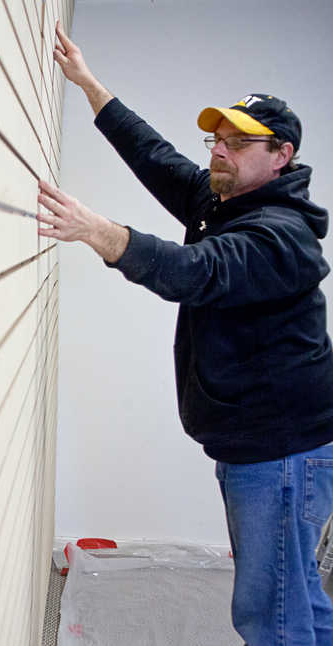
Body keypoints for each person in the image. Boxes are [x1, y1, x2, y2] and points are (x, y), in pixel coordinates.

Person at [44, 19, 333, 646]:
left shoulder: (280, 237)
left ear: (281, 156)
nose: (218, 150)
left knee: (270, 614)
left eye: (239, 142)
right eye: (218, 138)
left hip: (282, 455)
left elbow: (196, 272)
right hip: (265, 446)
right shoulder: (227, 201)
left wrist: (101, 233)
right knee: (298, 596)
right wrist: (89, 85)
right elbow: (158, 159)